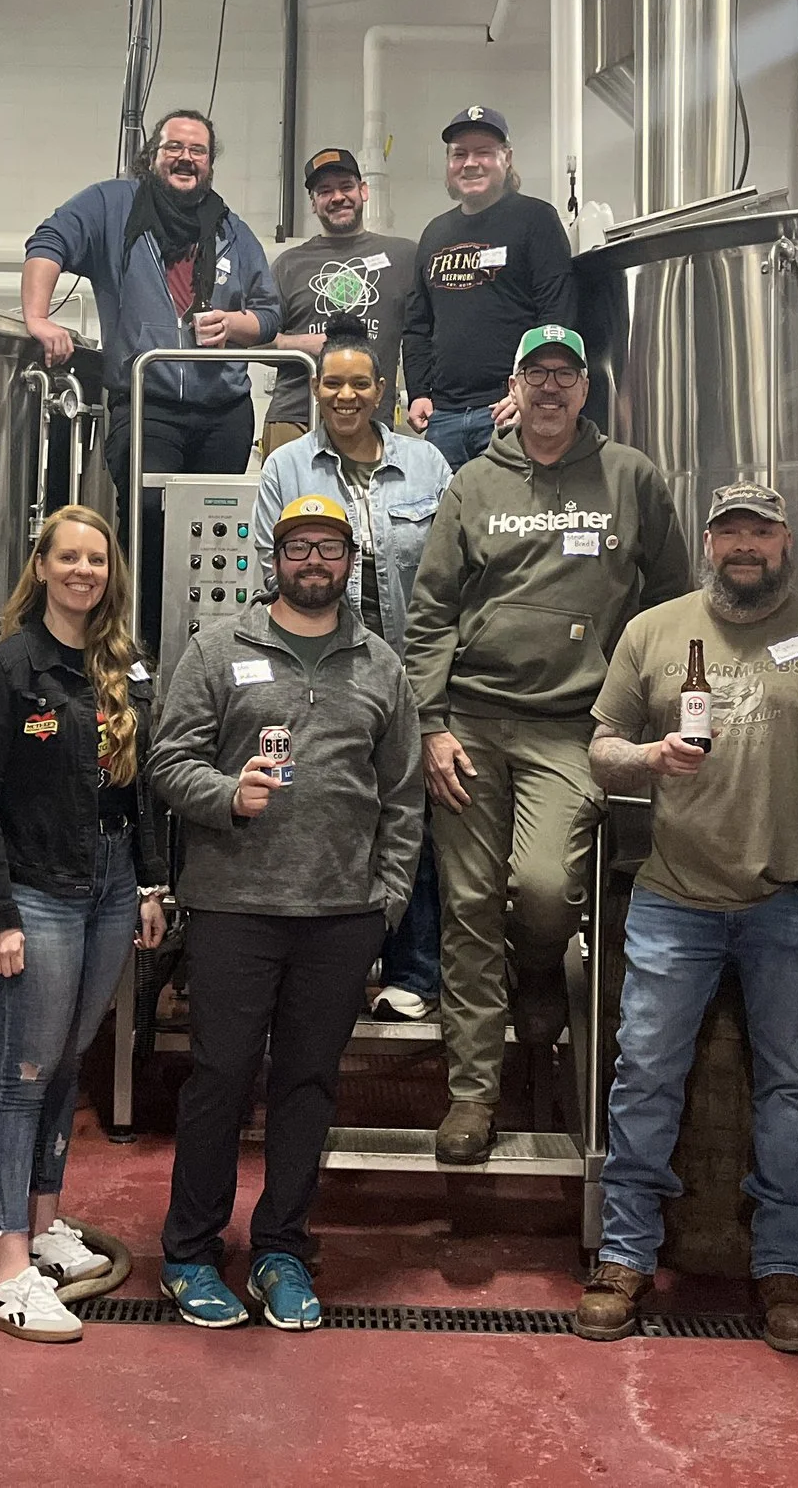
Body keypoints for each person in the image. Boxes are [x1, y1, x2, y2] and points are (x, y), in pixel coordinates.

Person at [575, 482, 798, 1351]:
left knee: (792, 1084)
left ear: (786, 539)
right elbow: (600, 750)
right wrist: (645, 756)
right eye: (730, 531)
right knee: (645, 1077)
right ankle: (626, 1256)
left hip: (789, 899)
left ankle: (783, 1266)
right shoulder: (654, 630)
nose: (745, 546)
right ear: (709, 541)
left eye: (761, 531)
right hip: (674, 896)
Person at [406, 323, 693, 1163]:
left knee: (541, 891)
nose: (551, 387)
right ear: (516, 382)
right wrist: (429, 724)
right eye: (537, 372)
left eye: (567, 373)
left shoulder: (631, 476)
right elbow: (430, 613)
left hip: (572, 725)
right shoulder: (472, 481)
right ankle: (472, 1095)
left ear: (584, 389)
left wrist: (644, 711)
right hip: (471, 724)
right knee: (464, 905)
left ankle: (536, 971)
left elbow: (670, 602)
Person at [148, 495, 423, 1332]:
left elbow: (404, 796)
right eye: (300, 546)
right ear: (275, 558)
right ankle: (191, 1251)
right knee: (220, 1079)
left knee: (308, 1086)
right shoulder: (219, 648)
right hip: (234, 907)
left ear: (350, 563)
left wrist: (388, 901)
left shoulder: (380, 664)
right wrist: (229, 794)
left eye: (329, 549)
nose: (314, 561)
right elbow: (167, 759)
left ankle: (281, 1249)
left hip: (341, 914)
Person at [0, 505, 168, 1343]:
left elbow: (138, 787)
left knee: (63, 1061)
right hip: (34, 891)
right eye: (69, 556)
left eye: (97, 558)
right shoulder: (7, 668)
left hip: (112, 885)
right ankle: (7, 1271)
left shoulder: (124, 664)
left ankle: (45, 1225)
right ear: (41, 565)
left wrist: (150, 883)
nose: (84, 570)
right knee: (19, 1071)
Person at [253, 313, 453, 1020]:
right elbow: (264, 574)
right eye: (331, 382)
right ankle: (318, 963)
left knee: (409, 812)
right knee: (327, 806)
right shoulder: (286, 467)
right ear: (316, 390)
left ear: (382, 389)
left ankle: (414, 969)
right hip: (320, 666)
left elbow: (451, 575)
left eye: (357, 383)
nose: (343, 395)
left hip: (409, 668)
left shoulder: (427, 464)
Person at [20, 109, 280, 641]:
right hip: (146, 403)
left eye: (199, 150)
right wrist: (38, 319)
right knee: (151, 522)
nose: (187, 158)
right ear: (154, 155)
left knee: (215, 536)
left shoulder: (232, 230)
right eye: (174, 147)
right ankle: (136, 645)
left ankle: (211, 648)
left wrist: (235, 323)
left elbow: (270, 315)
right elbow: (47, 243)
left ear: (210, 163)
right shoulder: (111, 206)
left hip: (224, 412)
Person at [398, 106, 576, 470]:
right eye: (459, 154)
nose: (470, 163)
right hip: (443, 418)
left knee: (513, 523)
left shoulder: (535, 219)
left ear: (506, 159)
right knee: (449, 523)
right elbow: (418, 324)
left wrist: (531, 391)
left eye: (483, 152)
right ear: (448, 163)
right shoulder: (434, 233)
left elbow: (556, 315)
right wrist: (419, 393)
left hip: (507, 413)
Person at [261, 147, 416, 456]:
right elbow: (252, 345)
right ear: (313, 203)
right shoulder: (289, 264)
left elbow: (427, 333)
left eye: (346, 187)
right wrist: (300, 344)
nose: (337, 197)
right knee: (292, 506)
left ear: (364, 190)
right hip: (295, 417)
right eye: (324, 191)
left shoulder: (404, 257)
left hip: (370, 417)